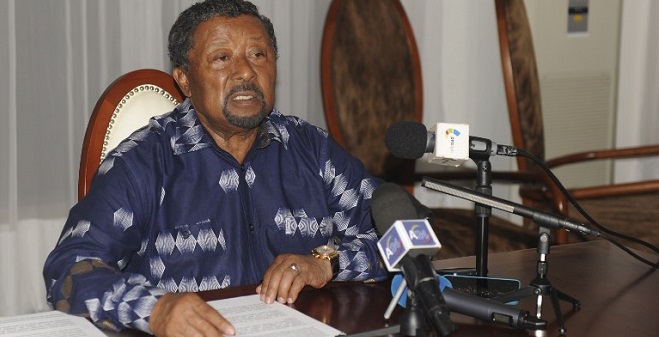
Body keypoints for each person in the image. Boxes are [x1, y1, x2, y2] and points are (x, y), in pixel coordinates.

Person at [43, 0, 388, 336]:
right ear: (185, 80)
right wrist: (155, 310)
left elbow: (407, 239)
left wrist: (328, 262)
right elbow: (69, 270)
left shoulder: (311, 149)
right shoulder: (144, 163)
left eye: (258, 55)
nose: (246, 72)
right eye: (222, 58)